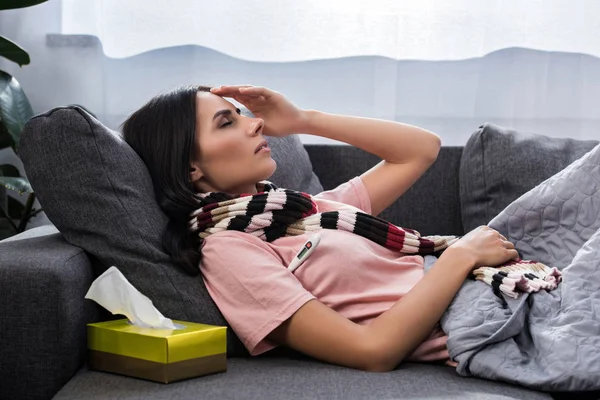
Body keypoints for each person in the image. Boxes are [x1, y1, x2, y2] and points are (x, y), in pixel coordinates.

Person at [121, 84, 519, 373]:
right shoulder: (228, 250)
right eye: (227, 122)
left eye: (242, 114)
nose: (255, 124)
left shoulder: (313, 210)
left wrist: (302, 120)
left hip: (504, 284)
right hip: (486, 316)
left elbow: (420, 149)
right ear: (191, 166)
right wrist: (461, 256)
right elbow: (373, 351)